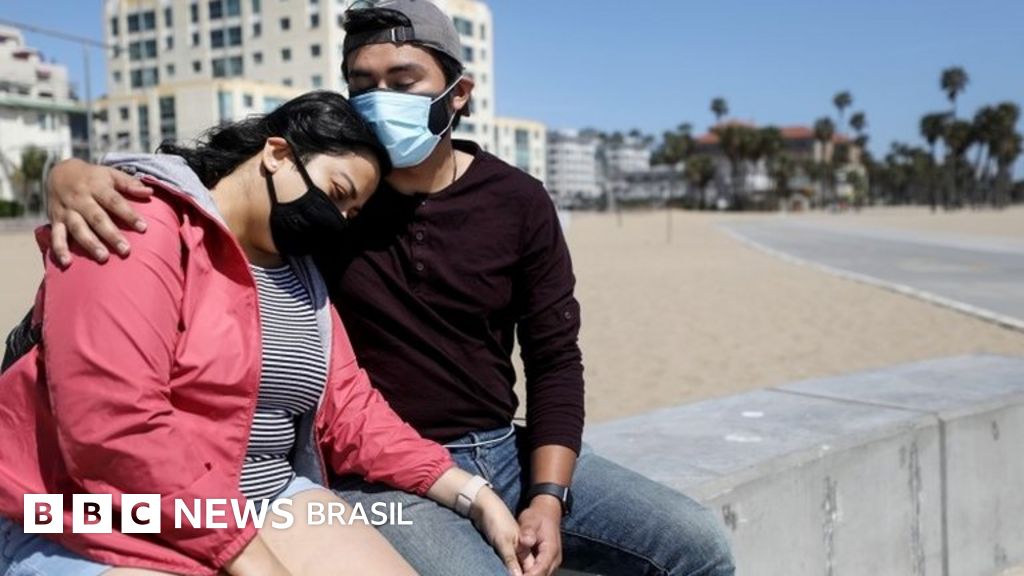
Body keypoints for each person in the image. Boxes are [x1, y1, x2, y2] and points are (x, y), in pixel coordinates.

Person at [39, 2, 736, 574]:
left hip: (503, 449)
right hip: (373, 478)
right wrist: (67, 175)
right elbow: (216, 186)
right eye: (362, 83)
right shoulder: (323, 204)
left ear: (458, 94)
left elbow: (555, 359)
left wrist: (547, 497)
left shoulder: (517, 200)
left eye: (404, 80)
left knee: (697, 545)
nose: (381, 100)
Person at [0, 91, 525, 576]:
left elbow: (351, 412)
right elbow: (114, 423)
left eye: (350, 213)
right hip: (96, 513)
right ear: (277, 153)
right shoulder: (140, 220)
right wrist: (249, 557)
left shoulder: (303, 276)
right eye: (337, 193)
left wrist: (472, 493)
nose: (336, 219)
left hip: (267, 497)